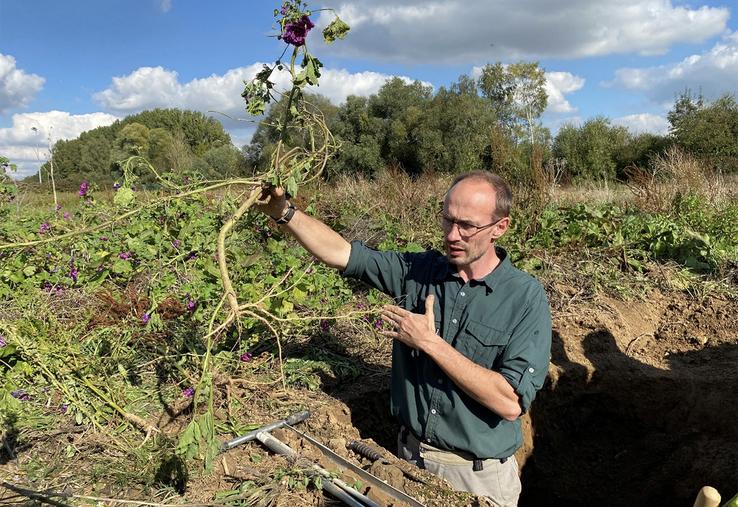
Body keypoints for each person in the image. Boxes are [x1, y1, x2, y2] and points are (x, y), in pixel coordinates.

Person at [257, 170, 552, 506]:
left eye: (467, 226)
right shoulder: (418, 272)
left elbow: (510, 402)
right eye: (447, 220)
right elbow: (342, 254)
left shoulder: (524, 299)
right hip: (407, 463)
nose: (452, 235)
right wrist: (286, 213)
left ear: (500, 227)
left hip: (478, 479)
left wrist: (430, 343)